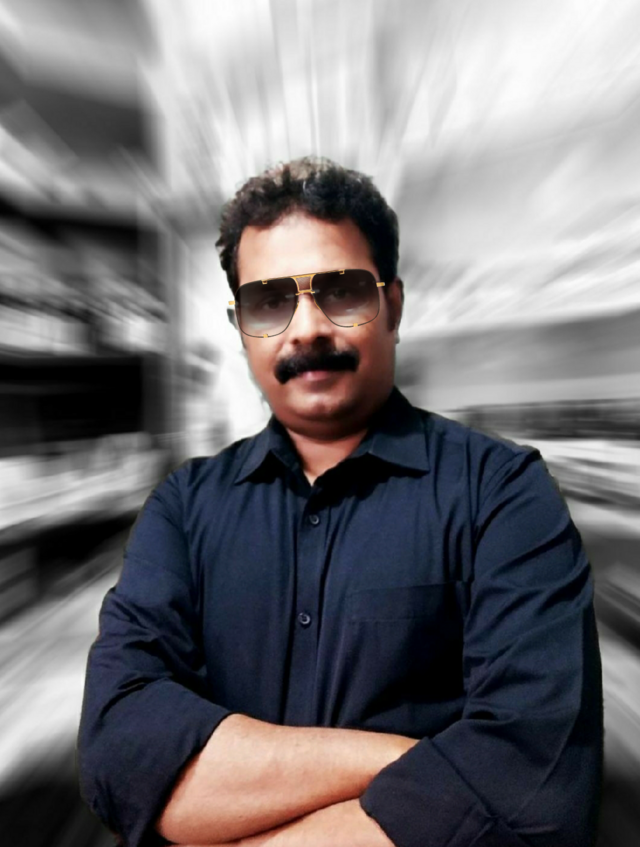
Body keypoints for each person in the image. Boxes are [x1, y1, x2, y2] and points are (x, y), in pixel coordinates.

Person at [77, 157, 603, 847]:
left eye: (342, 291)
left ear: (394, 307)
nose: (306, 330)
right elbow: (121, 752)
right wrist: (420, 765)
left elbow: (534, 788)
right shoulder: (184, 508)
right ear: (240, 327)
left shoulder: (502, 493)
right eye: (270, 302)